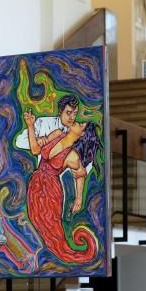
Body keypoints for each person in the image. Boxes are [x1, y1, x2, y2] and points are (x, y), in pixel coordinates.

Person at [23, 95, 100, 264]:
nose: (76, 121)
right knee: (36, 220)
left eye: (81, 125)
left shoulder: (73, 157)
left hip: (51, 190)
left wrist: (79, 198)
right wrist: (30, 125)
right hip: (36, 184)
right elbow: (35, 149)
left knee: (51, 229)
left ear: (82, 134)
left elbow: (81, 174)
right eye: (70, 114)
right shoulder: (58, 133)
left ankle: (58, 255)